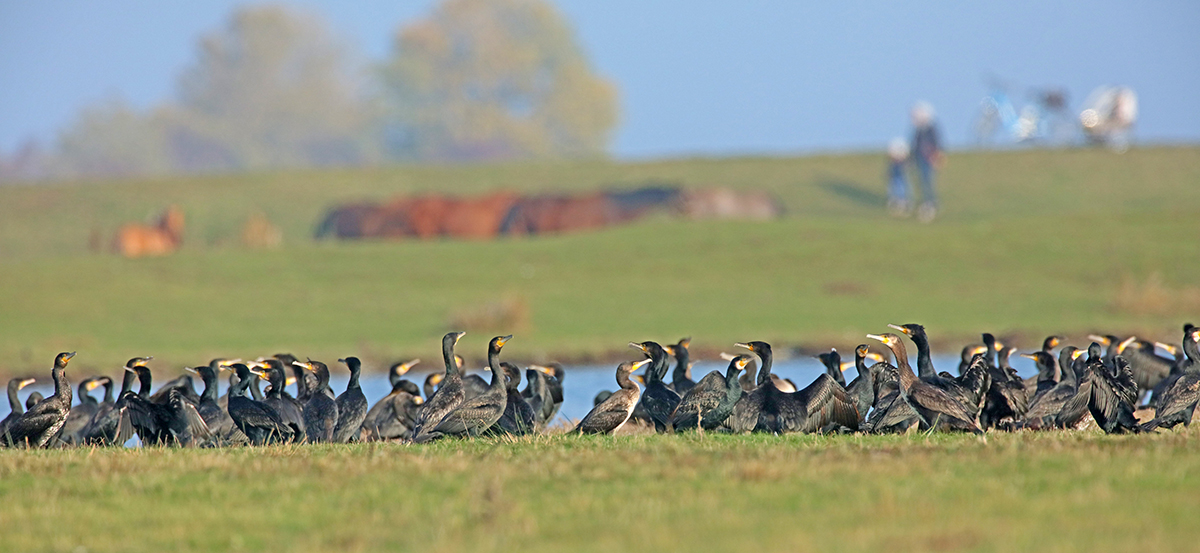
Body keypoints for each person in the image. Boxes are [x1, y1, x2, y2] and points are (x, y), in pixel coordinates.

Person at [910, 101, 944, 223]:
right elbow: (915, 145)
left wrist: (937, 157)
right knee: (922, 181)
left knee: (927, 181)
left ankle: (930, 203)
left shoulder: (930, 129)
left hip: (928, 159)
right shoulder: (919, 130)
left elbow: (937, 144)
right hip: (920, 159)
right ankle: (927, 202)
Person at [885, 137, 910, 217]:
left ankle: (902, 201)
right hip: (895, 170)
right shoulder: (893, 164)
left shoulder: (902, 164)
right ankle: (895, 200)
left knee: (901, 184)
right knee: (893, 184)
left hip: (900, 169)